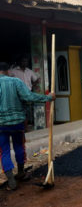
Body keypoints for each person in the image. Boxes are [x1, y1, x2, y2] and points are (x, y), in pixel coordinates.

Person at [0, 62, 55, 190]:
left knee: (4, 152)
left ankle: (11, 181)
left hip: (1, 125)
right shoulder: (16, 82)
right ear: (8, 71)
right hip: (18, 123)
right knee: (19, 146)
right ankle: (21, 172)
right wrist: (48, 98)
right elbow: (28, 96)